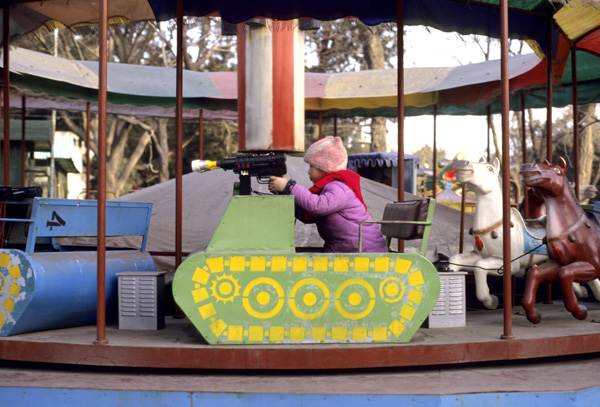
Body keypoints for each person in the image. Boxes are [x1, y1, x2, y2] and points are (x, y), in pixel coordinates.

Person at [269, 136, 388, 253]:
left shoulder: (338, 187)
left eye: (311, 166)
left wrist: (290, 186)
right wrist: (286, 195)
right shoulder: (330, 188)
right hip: (346, 247)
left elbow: (317, 206)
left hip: (363, 250)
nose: (308, 172)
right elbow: (309, 214)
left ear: (325, 168)